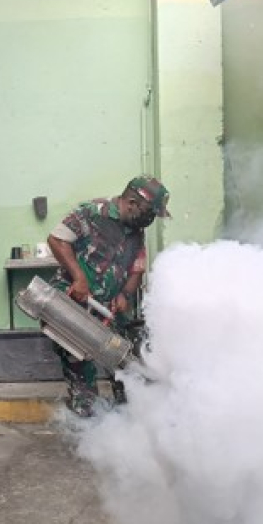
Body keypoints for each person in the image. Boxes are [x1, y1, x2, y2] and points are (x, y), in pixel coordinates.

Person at [47, 175, 171, 417]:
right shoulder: (92, 213)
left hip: (110, 310)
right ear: (132, 202)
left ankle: (127, 423)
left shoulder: (137, 231)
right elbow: (57, 239)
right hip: (76, 303)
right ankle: (85, 427)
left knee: (125, 365)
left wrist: (125, 293)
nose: (151, 219)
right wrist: (79, 278)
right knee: (80, 366)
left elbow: (137, 268)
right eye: (150, 212)